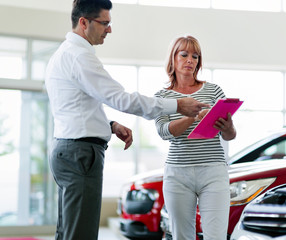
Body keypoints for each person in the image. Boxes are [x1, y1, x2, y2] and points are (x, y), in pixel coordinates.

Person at [45, 1, 209, 239]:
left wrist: (110, 125)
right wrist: (177, 104)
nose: (109, 30)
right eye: (104, 23)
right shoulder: (80, 57)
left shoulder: (62, 54)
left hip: (68, 150)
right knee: (80, 234)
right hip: (80, 154)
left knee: (69, 231)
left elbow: (73, 105)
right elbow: (122, 99)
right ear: (83, 23)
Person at [154, 35, 236, 240]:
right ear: (173, 58)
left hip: (213, 172)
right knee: (182, 237)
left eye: (195, 56)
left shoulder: (213, 90)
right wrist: (192, 116)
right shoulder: (162, 96)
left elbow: (230, 135)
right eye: (184, 55)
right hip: (178, 174)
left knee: (216, 236)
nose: (190, 60)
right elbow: (164, 131)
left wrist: (228, 126)